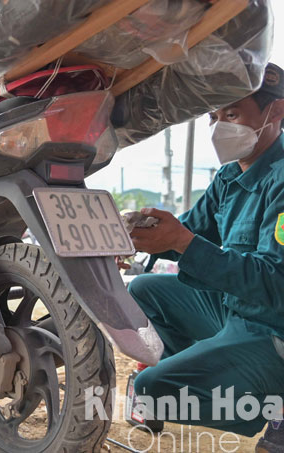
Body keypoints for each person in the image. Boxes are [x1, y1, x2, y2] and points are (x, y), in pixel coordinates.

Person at [125, 62, 284, 451]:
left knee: (151, 387)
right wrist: (131, 236)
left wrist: (182, 241)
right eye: (213, 116)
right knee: (144, 289)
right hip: (236, 310)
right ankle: (211, 364)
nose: (219, 128)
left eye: (232, 114)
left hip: (273, 326)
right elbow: (186, 231)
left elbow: (275, 284)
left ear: (276, 112)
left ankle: (276, 408)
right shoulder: (229, 178)